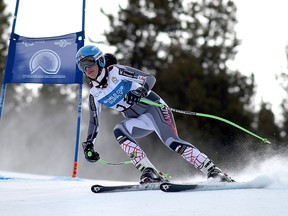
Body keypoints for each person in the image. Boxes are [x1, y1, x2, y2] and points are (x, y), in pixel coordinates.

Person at [75, 45, 234, 184]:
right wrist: (89, 144)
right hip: (138, 121)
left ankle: (212, 170)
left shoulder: (116, 71)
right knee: (119, 130)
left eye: (89, 62)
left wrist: (140, 91)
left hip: (155, 110)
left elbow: (149, 78)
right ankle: (149, 172)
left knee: (172, 142)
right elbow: (94, 122)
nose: (87, 68)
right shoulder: (94, 94)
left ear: (100, 60)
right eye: (82, 66)